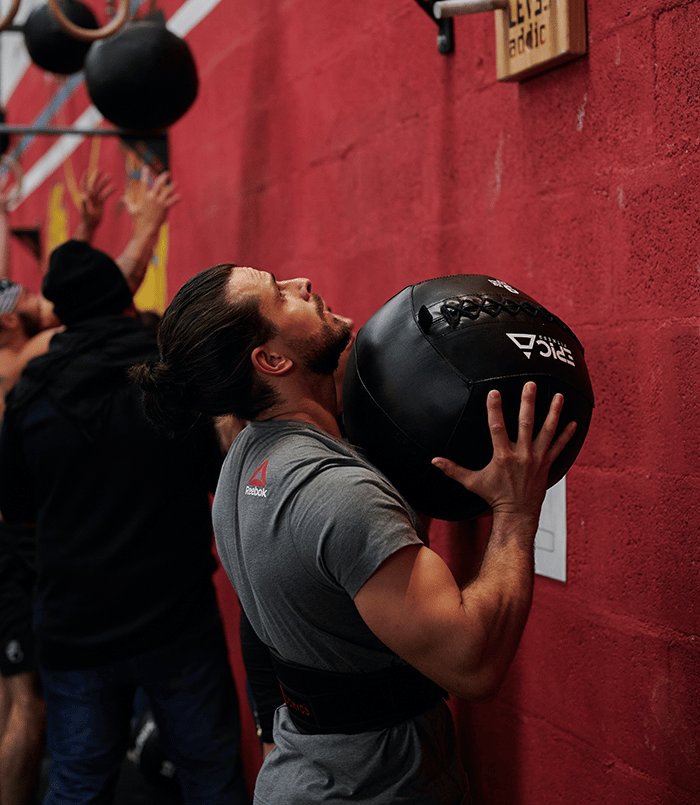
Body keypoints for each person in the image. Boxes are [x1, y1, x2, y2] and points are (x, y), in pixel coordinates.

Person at [132, 264, 577, 805]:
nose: (301, 284)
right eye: (279, 294)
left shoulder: (242, 464)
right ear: (272, 361)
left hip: (309, 775)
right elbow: (474, 663)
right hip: (371, 789)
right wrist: (515, 509)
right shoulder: (337, 495)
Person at [0, 215, 250, 803]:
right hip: (176, 618)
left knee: (79, 782)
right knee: (211, 778)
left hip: (75, 628)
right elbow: (221, 478)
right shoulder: (169, 380)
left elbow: (17, 514)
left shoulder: (30, 396)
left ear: (61, 310)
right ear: (120, 296)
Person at [0, 166, 176, 805]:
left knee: (24, 704)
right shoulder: (17, 361)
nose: (28, 301)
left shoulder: (27, 341)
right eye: (13, 303)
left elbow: (68, 300)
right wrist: (148, 224)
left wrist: (85, 229)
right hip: (17, 553)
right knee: (28, 710)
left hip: (28, 541)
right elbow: (95, 307)